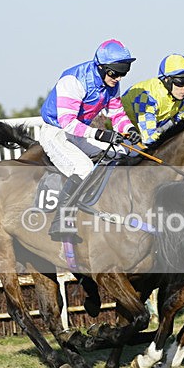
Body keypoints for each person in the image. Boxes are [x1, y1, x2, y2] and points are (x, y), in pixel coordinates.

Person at [39, 39, 142, 241]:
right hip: (56, 132)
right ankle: (61, 220)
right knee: (84, 169)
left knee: (122, 153)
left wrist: (130, 130)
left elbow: (118, 115)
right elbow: (67, 122)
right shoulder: (74, 81)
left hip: (79, 134)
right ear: (101, 67)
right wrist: (100, 134)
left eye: (124, 72)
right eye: (114, 72)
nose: (118, 78)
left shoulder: (112, 85)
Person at [122, 53, 184, 146]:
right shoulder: (148, 98)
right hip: (116, 130)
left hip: (137, 135)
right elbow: (149, 138)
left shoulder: (180, 101)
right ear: (167, 80)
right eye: (181, 82)